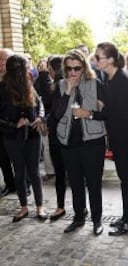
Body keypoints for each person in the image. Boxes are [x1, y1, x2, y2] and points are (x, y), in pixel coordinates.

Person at [75, 42, 128, 236]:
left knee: (126, 178)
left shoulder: (120, 80)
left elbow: (113, 112)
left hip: (124, 135)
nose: (95, 59)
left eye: (99, 57)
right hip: (117, 134)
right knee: (124, 177)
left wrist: (89, 114)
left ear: (111, 59)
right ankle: (127, 216)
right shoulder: (109, 77)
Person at [53, 49, 106, 235]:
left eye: (76, 68)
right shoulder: (60, 85)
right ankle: (78, 217)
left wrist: (90, 114)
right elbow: (57, 114)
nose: (72, 72)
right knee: (75, 183)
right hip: (69, 142)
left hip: (93, 141)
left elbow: (106, 113)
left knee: (93, 183)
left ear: (84, 67)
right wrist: (68, 91)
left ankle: (97, 220)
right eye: (68, 69)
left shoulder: (95, 83)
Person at [0, 54, 47, 222]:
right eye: (26, 67)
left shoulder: (29, 84)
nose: (30, 70)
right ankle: (24, 207)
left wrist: (39, 118)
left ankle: (40, 207)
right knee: (19, 172)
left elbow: (40, 104)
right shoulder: (2, 88)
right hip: (12, 137)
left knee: (34, 172)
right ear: (17, 71)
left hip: (33, 134)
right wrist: (14, 123)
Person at [42, 55, 69, 221]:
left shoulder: (59, 86)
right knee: (71, 173)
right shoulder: (65, 84)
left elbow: (57, 112)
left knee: (61, 173)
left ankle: (61, 207)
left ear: (53, 69)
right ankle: (80, 208)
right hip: (65, 135)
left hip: (60, 135)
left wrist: (45, 120)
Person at [34, 57, 56, 181]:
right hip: (44, 116)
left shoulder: (53, 80)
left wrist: (44, 76)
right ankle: (50, 171)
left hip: (52, 117)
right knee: (47, 147)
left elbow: (49, 96)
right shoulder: (40, 80)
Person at [0, 48, 16, 197]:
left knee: (19, 159)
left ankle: (24, 184)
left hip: (16, 126)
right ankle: (10, 184)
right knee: (3, 158)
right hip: (2, 125)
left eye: (4, 60)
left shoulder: (19, 79)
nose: (1, 63)